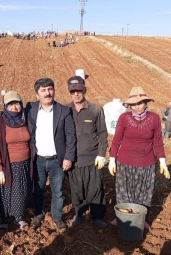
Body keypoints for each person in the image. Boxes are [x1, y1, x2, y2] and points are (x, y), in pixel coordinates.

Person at [108, 86, 170, 229]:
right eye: (133, 104)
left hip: (146, 163)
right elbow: (117, 139)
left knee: (144, 192)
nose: (136, 107)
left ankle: (141, 219)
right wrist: (112, 160)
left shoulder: (154, 118)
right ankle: (121, 218)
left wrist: (162, 162)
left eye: (140, 103)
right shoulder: (124, 118)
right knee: (124, 191)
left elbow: (158, 141)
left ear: (146, 102)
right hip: (125, 162)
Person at [27, 78, 76, 232]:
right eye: (43, 90)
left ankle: (57, 217)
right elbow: (11, 111)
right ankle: (39, 213)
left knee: (58, 191)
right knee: (38, 189)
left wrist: (68, 157)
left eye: (50, 89)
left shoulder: (64, 111)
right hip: (38, 160)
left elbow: (71, 136)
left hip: (57, 160)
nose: (47, 93)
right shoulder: (30, 109)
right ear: (37, 95)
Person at [66, 76, 108, 229]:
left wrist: (102, 154)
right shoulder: (65, 110)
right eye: (73, 91)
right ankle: (79, 214)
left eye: (79, 90)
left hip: (92, 157)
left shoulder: (95, 110)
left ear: (85, 90)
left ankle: (97, 216)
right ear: (69, 93)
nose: (76, 94)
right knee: (77, 189)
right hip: (73, 159)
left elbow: (103, 133)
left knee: (95, 189)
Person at [0, 91, 33, 230]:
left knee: (20, 190)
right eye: (10, 105)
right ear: (5, 107)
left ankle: (18, 216)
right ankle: (4, 217)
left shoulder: (25, 118)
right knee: (5, 191)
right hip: (7, 164)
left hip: (24, 163)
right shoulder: (0, 122)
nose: (14, 108)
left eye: (17, 104)